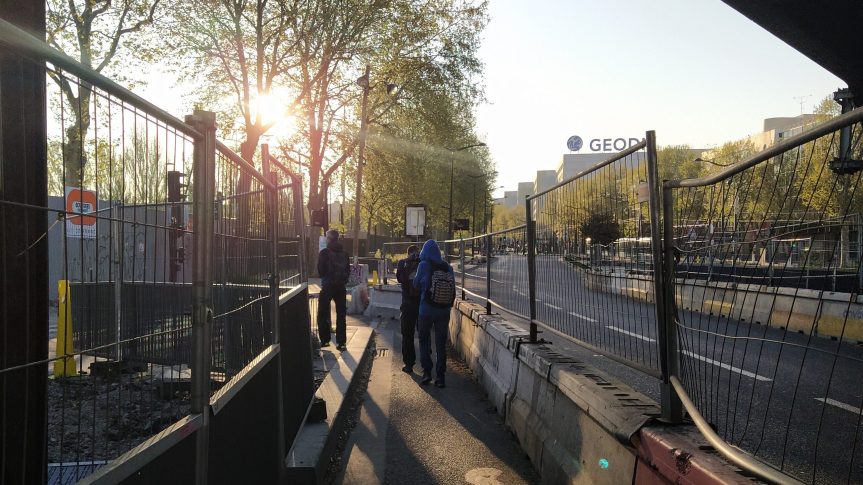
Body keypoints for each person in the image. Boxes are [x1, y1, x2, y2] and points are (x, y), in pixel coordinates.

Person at [412, 239, 456, 388]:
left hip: (426, 310)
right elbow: (453, 289)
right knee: (440, 344)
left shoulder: (423, 265)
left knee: (424, 340)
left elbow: (416, 284)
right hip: (444, 311)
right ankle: (441, 377)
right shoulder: (448, 267)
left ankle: (426, 373)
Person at [317, 229, 350, 351]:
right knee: (341, 315)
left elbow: (320, 270)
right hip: (341, 287)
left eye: (326, 237)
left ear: (329, 238)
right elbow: (348, 269)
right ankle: (341, 343)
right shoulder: (345, 253)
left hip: (327, 286)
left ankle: (325, 340)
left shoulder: (324, 252)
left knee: (322, 312)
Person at [395, 245, 421, 373]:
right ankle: (427, 367)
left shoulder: (402, 263)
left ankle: (409, 364)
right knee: (424, 335)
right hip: (422, 305)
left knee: (407, 334)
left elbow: (399, 279)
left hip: (407, 303)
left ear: (408, 253)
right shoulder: (424, 263)